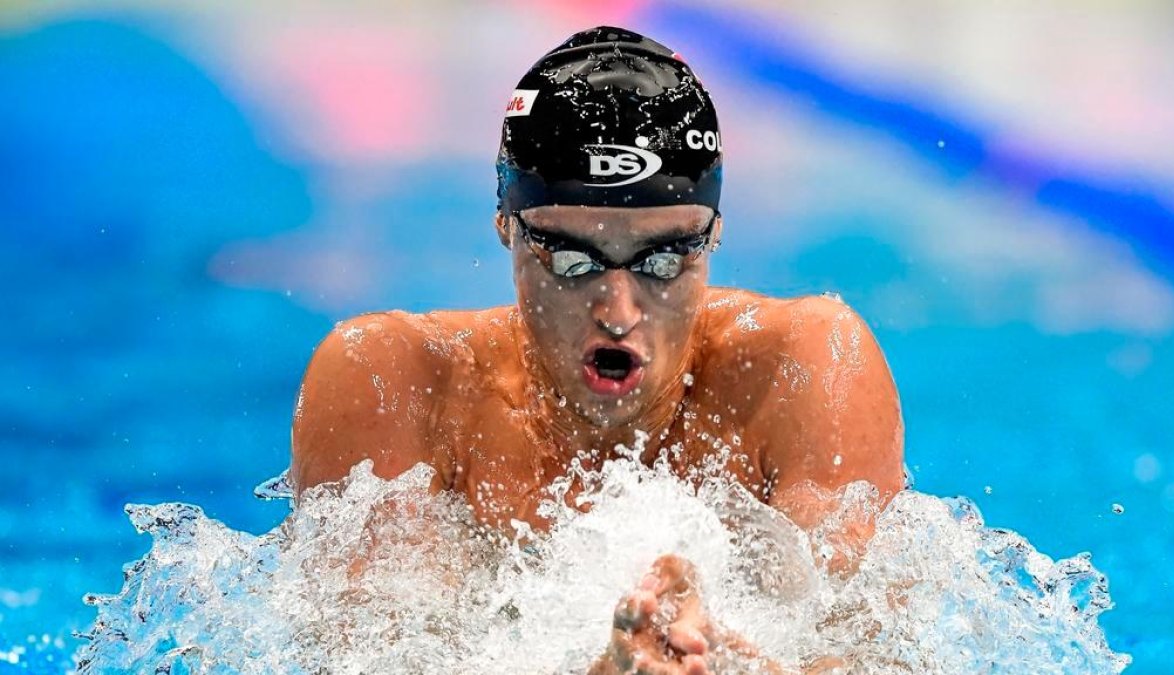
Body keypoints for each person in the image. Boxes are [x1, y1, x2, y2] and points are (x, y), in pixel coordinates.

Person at [290, 26, 903, 674]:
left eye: (665, 258)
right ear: (507, 227)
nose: (619, 310)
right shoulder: (392, 384)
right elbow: (371, 658)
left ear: (714, 235)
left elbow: (866, 653)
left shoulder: (805, 370)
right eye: (575, 259)